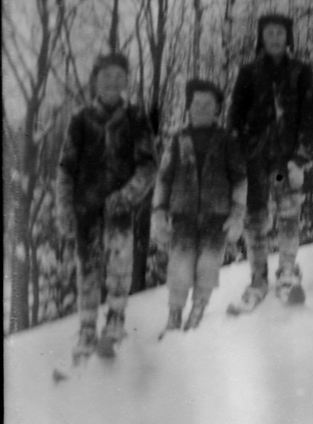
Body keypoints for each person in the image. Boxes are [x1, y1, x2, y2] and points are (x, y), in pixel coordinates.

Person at [56, 52, 157, 359]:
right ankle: (86, 327)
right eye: (105, 76)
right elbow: (66, 168)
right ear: (95, 80)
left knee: (119, 265)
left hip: (120, 211)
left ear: (126, 81)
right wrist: (64, 207)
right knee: (87, 268)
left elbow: (148, 166)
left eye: (118, 77)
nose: (112, 82)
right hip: (85, 209)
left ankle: (115, 319)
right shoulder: (80, 119)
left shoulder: (136, 117)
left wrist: (125, 197)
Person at [227, 13, 313, 310]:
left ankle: (287, 271)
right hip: (255, 162)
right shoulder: (249, 72)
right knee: (256, 220)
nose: (275, 38)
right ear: (261, 37)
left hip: (285, 163)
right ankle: (258, 278)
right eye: (269, 33)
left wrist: (300, 157)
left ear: (288, 37)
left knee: (289, 213)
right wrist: (237, 155)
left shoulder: (301, 71)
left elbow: (311, 116)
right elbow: (235, 116)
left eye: (280, 33)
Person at [151, 79, 247, 332]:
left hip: (218, 216)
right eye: (196, 103)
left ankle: (198, 310)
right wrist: (159, 211)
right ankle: (174, 314)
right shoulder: (178, 140)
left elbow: (239, 178)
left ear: (217, 110)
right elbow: (163, 177)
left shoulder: (226, 140)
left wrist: (237, 213)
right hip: (182, 215)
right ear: (188, 107)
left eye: (208, 104)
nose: (202, 108)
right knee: (180, 266)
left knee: (208, 265)